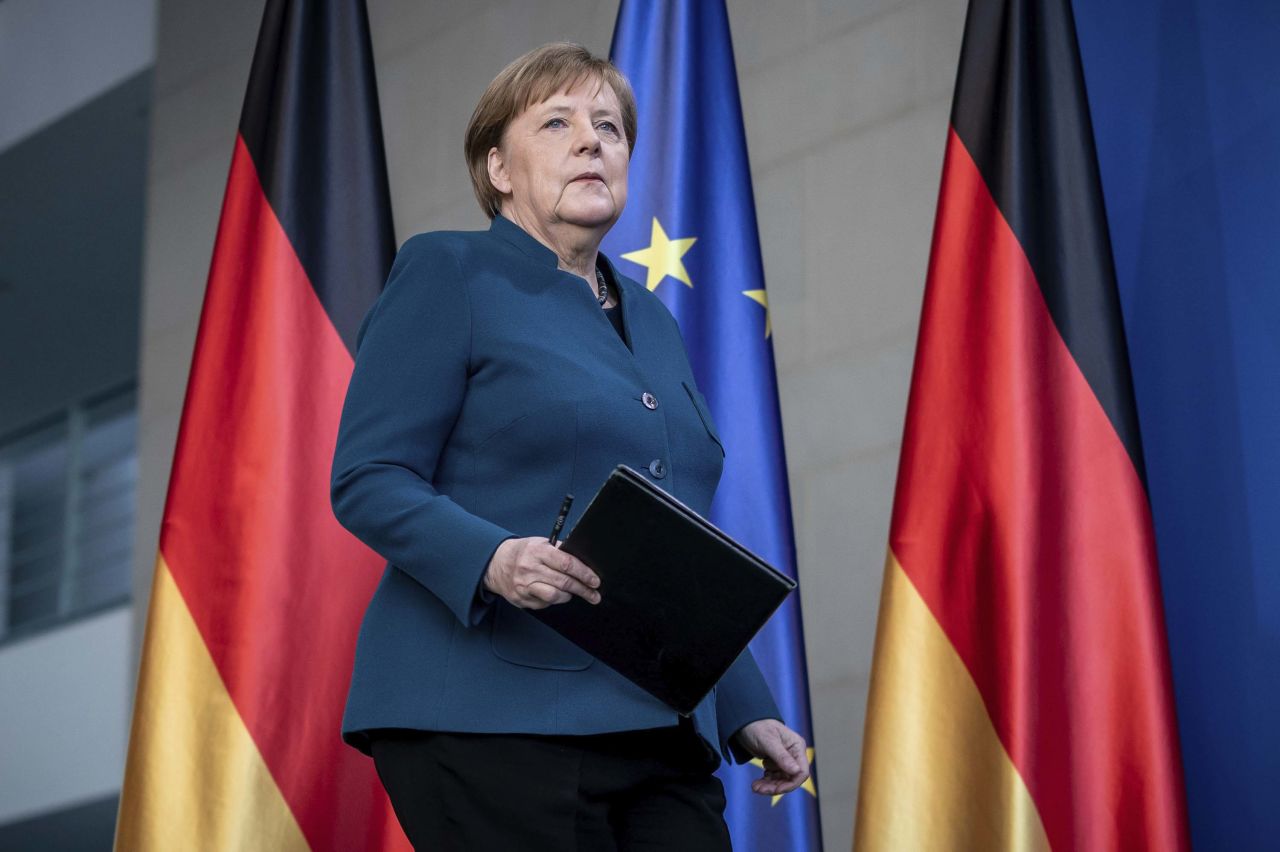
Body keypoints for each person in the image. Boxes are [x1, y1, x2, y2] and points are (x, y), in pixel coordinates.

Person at [330, 42, 809, 851]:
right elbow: (368, 477)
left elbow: (671, 535)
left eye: (610, 127)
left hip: (656, 724)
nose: (593, 141)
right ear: (499, 169)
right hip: (487, 716)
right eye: (557, 123)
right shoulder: (448, 271)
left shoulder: (653, 320)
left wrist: (745, 700)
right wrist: (491, 557)